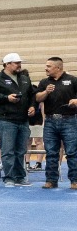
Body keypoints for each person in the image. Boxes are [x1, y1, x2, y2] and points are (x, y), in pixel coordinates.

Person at [0, 53, 35, 187]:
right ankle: (9, 178)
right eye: (16, 62)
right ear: (7, 64)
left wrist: (32, 106)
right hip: (6, 119)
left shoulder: (24, 78)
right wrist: (6, 98)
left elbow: (32, 95)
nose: (19, 65)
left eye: (19, 62)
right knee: (8, 150)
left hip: (23, 119)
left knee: (20, 150)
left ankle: (20, 176)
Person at [35, 57, 77, 189]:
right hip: (50, 121)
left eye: (49, 66)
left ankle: (74, 181)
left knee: (72, 152)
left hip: (69, 119)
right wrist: (46, 92)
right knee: (51, 152)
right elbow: (37, 98)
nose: (46, 68)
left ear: (58, 67)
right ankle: (51, 180)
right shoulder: (44, 82)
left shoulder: (72, 80)